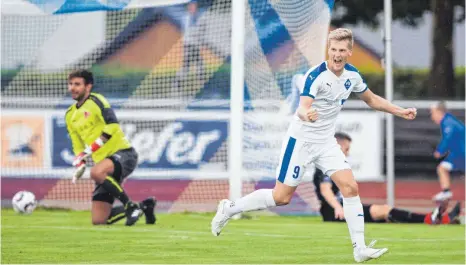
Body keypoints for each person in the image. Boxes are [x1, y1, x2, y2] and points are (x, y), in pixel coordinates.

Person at [211, 28, 418, 263]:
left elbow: (371, 99)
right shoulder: (316, 75)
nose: (337, 55)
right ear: (328, 50)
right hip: (301, 141)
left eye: (342, 50)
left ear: (349, 52)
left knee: (350, 188)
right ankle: (229, 208)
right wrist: (306, 114)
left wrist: (400, 111)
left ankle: (359, 249)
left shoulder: (352, 76)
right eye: (333, 50)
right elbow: (302, 106)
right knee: (281, 197)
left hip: (326, 143)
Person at [65, 69, 156, 226]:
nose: (73, 88)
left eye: (77, 84)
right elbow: (77, 145)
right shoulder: (69, 114)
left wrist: (91, 149)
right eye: (71, 84)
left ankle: (130, 206)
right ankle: (144, 206)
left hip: (124, 155)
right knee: (99, 221)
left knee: (96, 172)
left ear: (88, 87)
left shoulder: (97, 101)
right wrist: (80, 162)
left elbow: (113, 126)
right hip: (103, 165)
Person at [315, 132, 462, 225]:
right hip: (335, 212)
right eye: (346, 149)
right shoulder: (327, 164)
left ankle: (438, 218)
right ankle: (431, 218)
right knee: (383, 210)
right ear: (338, 147)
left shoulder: (335, 164)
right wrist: (338, 208)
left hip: (344, 208)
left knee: (385, 216)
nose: (348, 153)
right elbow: (325, 189)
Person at [429, 101, 465, 201]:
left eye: (433, 113)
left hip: (461, 154)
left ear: (439, 112)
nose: (432, 116)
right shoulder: (449, 120)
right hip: (459, 154)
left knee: (442, 168)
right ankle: (446, 192)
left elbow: (448, 138)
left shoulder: (448, 122)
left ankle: (446, 192)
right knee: (442, 168)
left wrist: (440, 150)